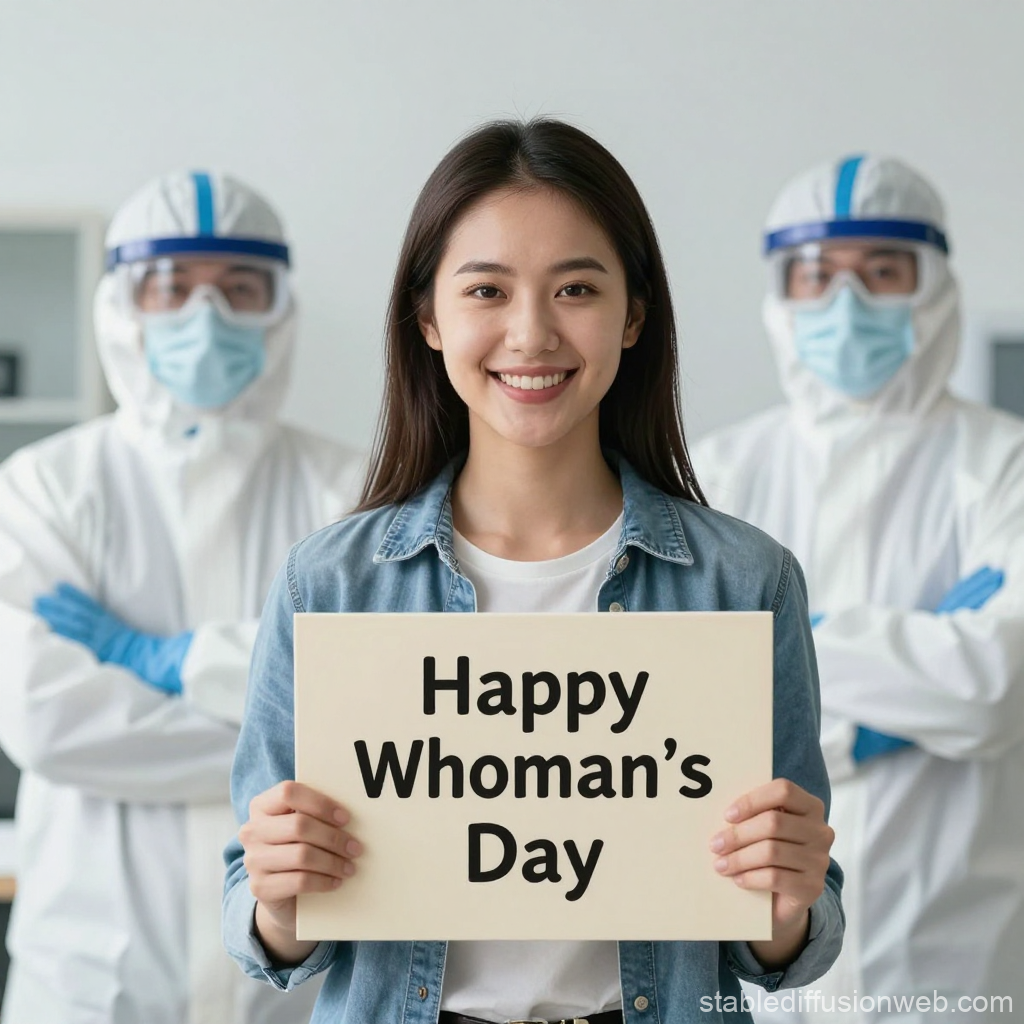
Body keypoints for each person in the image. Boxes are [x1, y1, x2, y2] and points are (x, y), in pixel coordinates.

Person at [222, 119, 844, 1024]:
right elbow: (253, 908)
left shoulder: (744, 582)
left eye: (577, 288)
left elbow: (795, 930)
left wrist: (787, 905)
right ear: (429, 318)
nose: (531, 332)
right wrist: (279, 900)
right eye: (487, 289)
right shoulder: (329, 585)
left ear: (634, 314)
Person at [0, 170, 363, 1024]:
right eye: (172, 288)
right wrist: (278, 728)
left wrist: (161, 663)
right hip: (89, 978)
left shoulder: (352, 491)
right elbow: (47, 721)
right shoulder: (43, 488)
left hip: (298, 987)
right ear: (122, 305)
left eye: (241, 289)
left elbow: (375, 722)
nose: (208, 318)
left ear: (280, 307)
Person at [692, 155, 1024, 1022]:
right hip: (749, 971)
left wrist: (774, 654)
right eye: (816, 276)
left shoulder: (1006, 464)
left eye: (881, 272)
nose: (846, 306)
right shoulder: (716, 472)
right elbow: (675, 694)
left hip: (952, 965)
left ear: (934, 285)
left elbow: (997, 684)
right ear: (781, 295)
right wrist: (921, 658)